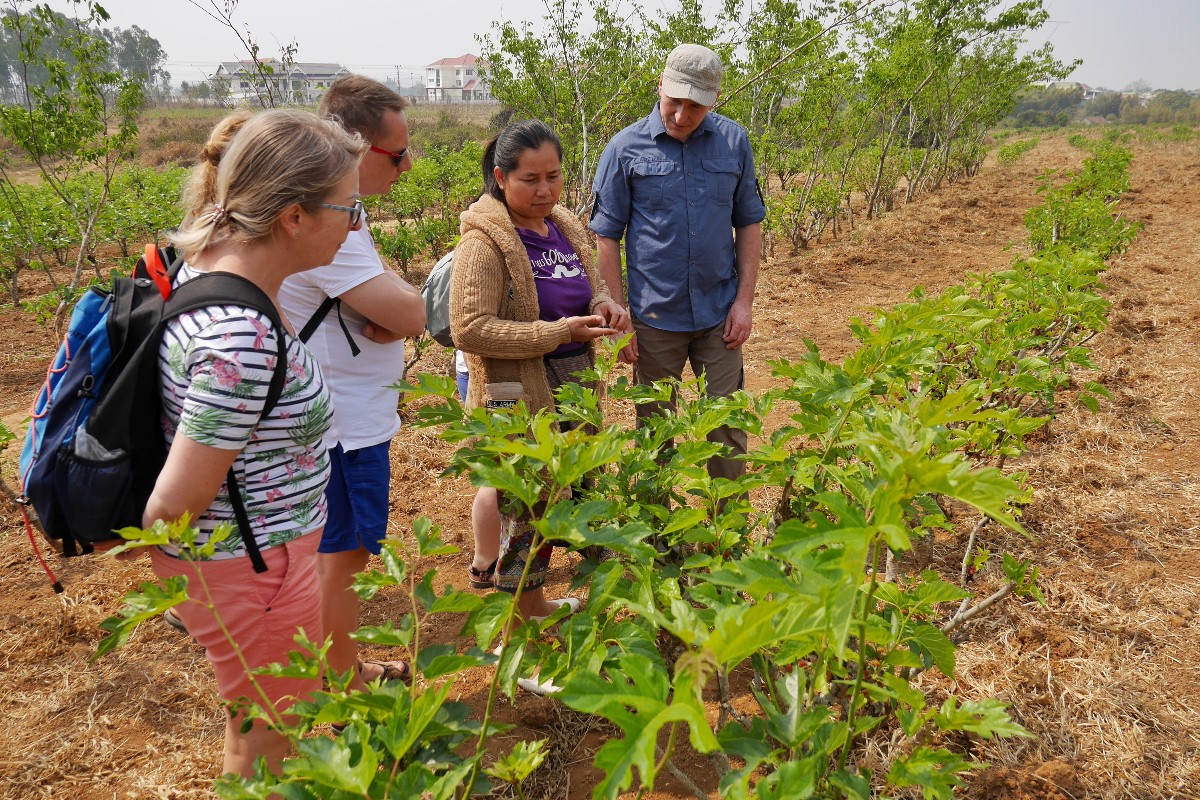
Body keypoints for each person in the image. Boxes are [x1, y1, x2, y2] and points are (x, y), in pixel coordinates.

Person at [145, 109, 366, 776]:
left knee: (258, 733)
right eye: (348, 209)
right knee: (271, 748)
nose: (356, 225)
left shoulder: (206, 269)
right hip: (255, 568)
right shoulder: (240, 338)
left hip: (255, 565)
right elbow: (170, 508)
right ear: (293, 217)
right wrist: (213, 596)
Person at [277, 75, 426, 693]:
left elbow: (389, 305)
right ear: (357, 148)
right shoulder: (327, 219)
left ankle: (333, 671)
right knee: (343, 556)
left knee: (328, 552)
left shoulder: (333, 213)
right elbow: (413, 315)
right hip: (342, 425)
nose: (408, 165)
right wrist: (408, 307)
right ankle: (337, 681)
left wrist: (395, 304)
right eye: (397, 153)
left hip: (333, 415)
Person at [450, 119, 628, 631]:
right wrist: (554, 333)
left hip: (573, 390)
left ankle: (536, 605)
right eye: (530, 179)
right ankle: (516, 620)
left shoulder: (565, 227)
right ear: (501, 177)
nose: (544, 189)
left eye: (553, 176)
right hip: (516, 395)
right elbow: (470, 328)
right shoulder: (485, 243)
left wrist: (604, 306)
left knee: (567, 493)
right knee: (528, 505)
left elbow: (588, 288)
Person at [589, 43, 766, 482]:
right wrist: (619, 316)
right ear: (659, 87)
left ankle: (726, 538)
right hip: (652, 321)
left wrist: (744, 303)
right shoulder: (623, 149)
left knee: (726, 432)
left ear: (714, 101)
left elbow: (749, 224)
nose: (682, 116)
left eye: (696, 106)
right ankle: (657, 545)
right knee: (654, 438)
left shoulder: (733, 142)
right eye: (675, 102)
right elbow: (607, 236)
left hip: (718, 316)